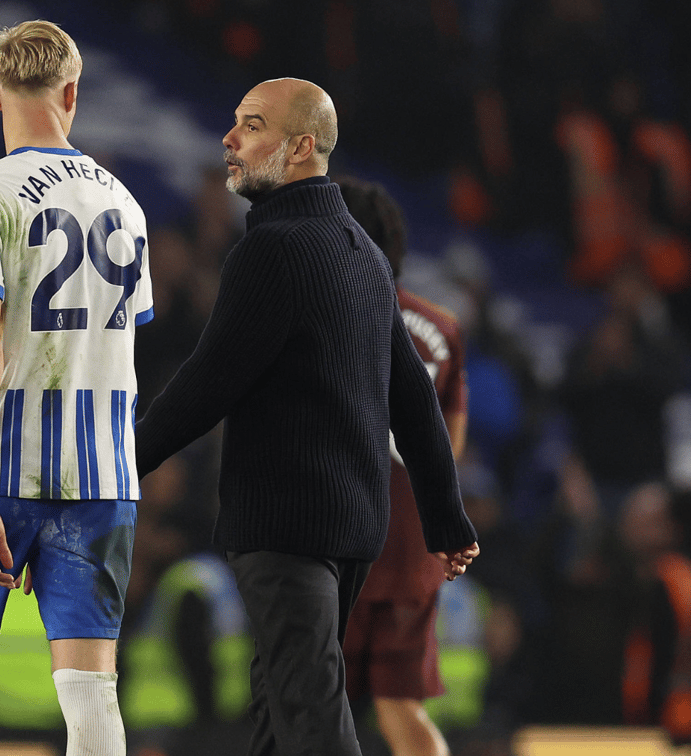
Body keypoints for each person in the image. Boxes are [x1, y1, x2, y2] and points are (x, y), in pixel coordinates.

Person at [134, 77, 478, 756]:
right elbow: (412, 395)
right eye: (234, 122)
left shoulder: (273, 248)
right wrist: (445, 516)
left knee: (310, 705)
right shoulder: (364, 254)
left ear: (297, 149)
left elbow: (208, 382)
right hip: (353, 524)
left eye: (251, 126)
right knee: (280, 701)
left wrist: (118, 466)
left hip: (285, 522)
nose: (231, 139)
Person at [0, 20, 152, 756]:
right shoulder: (127, 204)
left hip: (5, 465)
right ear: (72, 92)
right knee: (90, 689)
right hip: (102, 473)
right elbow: (125, 341)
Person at [336, 177, 468, 756]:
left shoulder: (324, 320)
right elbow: (451, 447)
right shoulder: (442, 328)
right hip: (415, 546)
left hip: (341, 540)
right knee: (399, 703)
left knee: (314, 700)